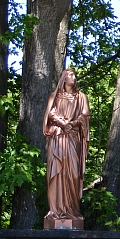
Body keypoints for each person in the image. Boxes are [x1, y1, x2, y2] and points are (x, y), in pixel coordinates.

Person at [43, 68, 90, 221]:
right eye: (70, 75)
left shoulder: (81, 97)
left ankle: (72, 211)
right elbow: (50, 113)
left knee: (73, 174)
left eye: (75, 74)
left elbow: (85, 115)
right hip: (58, 138)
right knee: (56, 173)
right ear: (64, 78)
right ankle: (56, 211)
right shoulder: (54, 96)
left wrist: (73, 123)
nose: (73, 77)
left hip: (72, 138)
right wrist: (62, 123)